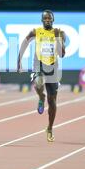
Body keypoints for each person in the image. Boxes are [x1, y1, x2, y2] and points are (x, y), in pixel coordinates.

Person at [17, 10, 66, 142]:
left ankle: (49, 128)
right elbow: (25, 43)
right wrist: (19, 59)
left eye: (50, 19)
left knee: (53, 101)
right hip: (38, 63)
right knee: (38, 83)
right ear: (42, 20)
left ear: (53, 20)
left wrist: (57, 38)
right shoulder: (36, 31)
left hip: (52, 66)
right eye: (45, 19)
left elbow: (62, 54)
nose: (48, 20)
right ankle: (41, 96)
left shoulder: (59, 32)